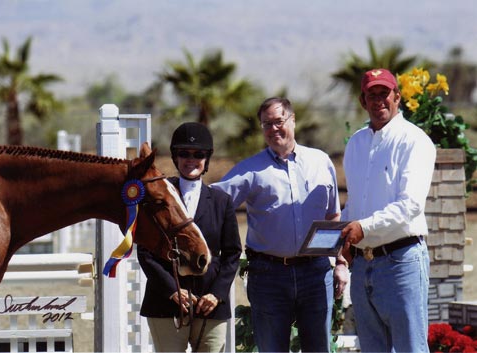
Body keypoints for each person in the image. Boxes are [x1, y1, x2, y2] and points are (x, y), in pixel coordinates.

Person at [212, 97, 349, 353]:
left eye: (278, 121)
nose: (273, 129)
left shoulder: (321, 162)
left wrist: (340, 264)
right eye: (266, 124)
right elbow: (212, 204)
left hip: (316, 274)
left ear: (293, 120)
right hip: (268, 276)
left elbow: (333, 217)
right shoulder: (250, 170)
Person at [341, 68, 436, 353]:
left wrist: (362, 228)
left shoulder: (414, 140)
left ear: (397, 97)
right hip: (363, 265)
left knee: (411, 349)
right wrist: (341, 235)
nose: (379, 100)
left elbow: (410, 205)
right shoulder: (356, 143)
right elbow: (354, 203)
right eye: (372, 95)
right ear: (362, 100)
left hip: (401, 262)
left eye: (385, 93)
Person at [137, 122, 242, 352]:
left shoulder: (221, 201)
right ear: (175, 157)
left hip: (209, 305)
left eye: (198, 154)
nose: (191, 159)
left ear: (206, 158)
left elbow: (232, 253)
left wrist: (217, 293)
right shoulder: (160, 197)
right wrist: (172, 290)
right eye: (184, 153)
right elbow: (145, 250)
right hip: (166, 302)